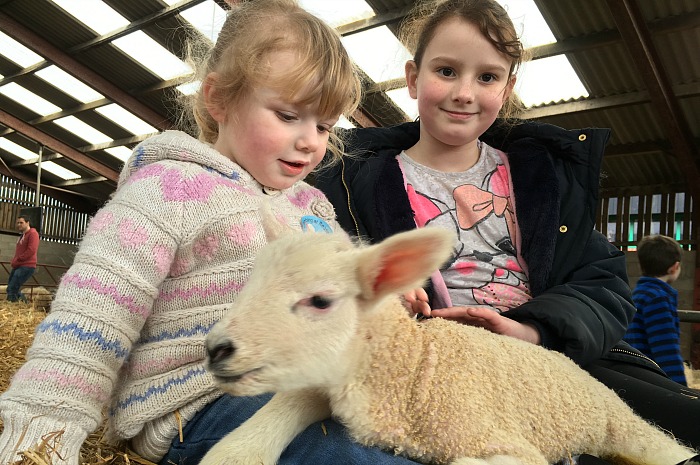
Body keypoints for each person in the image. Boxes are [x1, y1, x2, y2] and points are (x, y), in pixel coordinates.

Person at [0, 2, 413, 465]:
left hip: (306, 389)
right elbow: (94, 315)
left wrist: (388, 301)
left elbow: (344, 295)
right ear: (219, 99)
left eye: (323, 126)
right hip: (201, 400)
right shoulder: (169, 190)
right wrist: (39, 436)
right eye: (288, 115)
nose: (310, 141)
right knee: (347, 456)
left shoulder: (312, 207)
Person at [315, 0, 700, 454]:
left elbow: (604, 284)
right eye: (446, 71)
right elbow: (322, 275)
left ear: (508, 87)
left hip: (549, 360)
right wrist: (380, 296)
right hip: (431, 368)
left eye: (487, 77)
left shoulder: (545, 180)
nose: (464, 92)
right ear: (414, 78)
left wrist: (533, 329)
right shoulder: (347, 177)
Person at [624, 235, 687, 385]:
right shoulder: (658, 298)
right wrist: (680, 389)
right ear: (675, 267)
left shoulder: (637, 293)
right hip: (652, 378)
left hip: (634, 372)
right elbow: (665, 348)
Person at [6, 214, 39, 303]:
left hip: (26, 265)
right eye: (18, 223)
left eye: (21, 222)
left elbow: (31, 250)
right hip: (19, 265)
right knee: (10, 288)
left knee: (12, 288)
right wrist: (14, 260)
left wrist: (17, 260)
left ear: (28, 223)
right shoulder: (22, 236)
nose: (19, 225)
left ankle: (13, 306)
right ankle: (24, 305)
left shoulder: (33, 233)